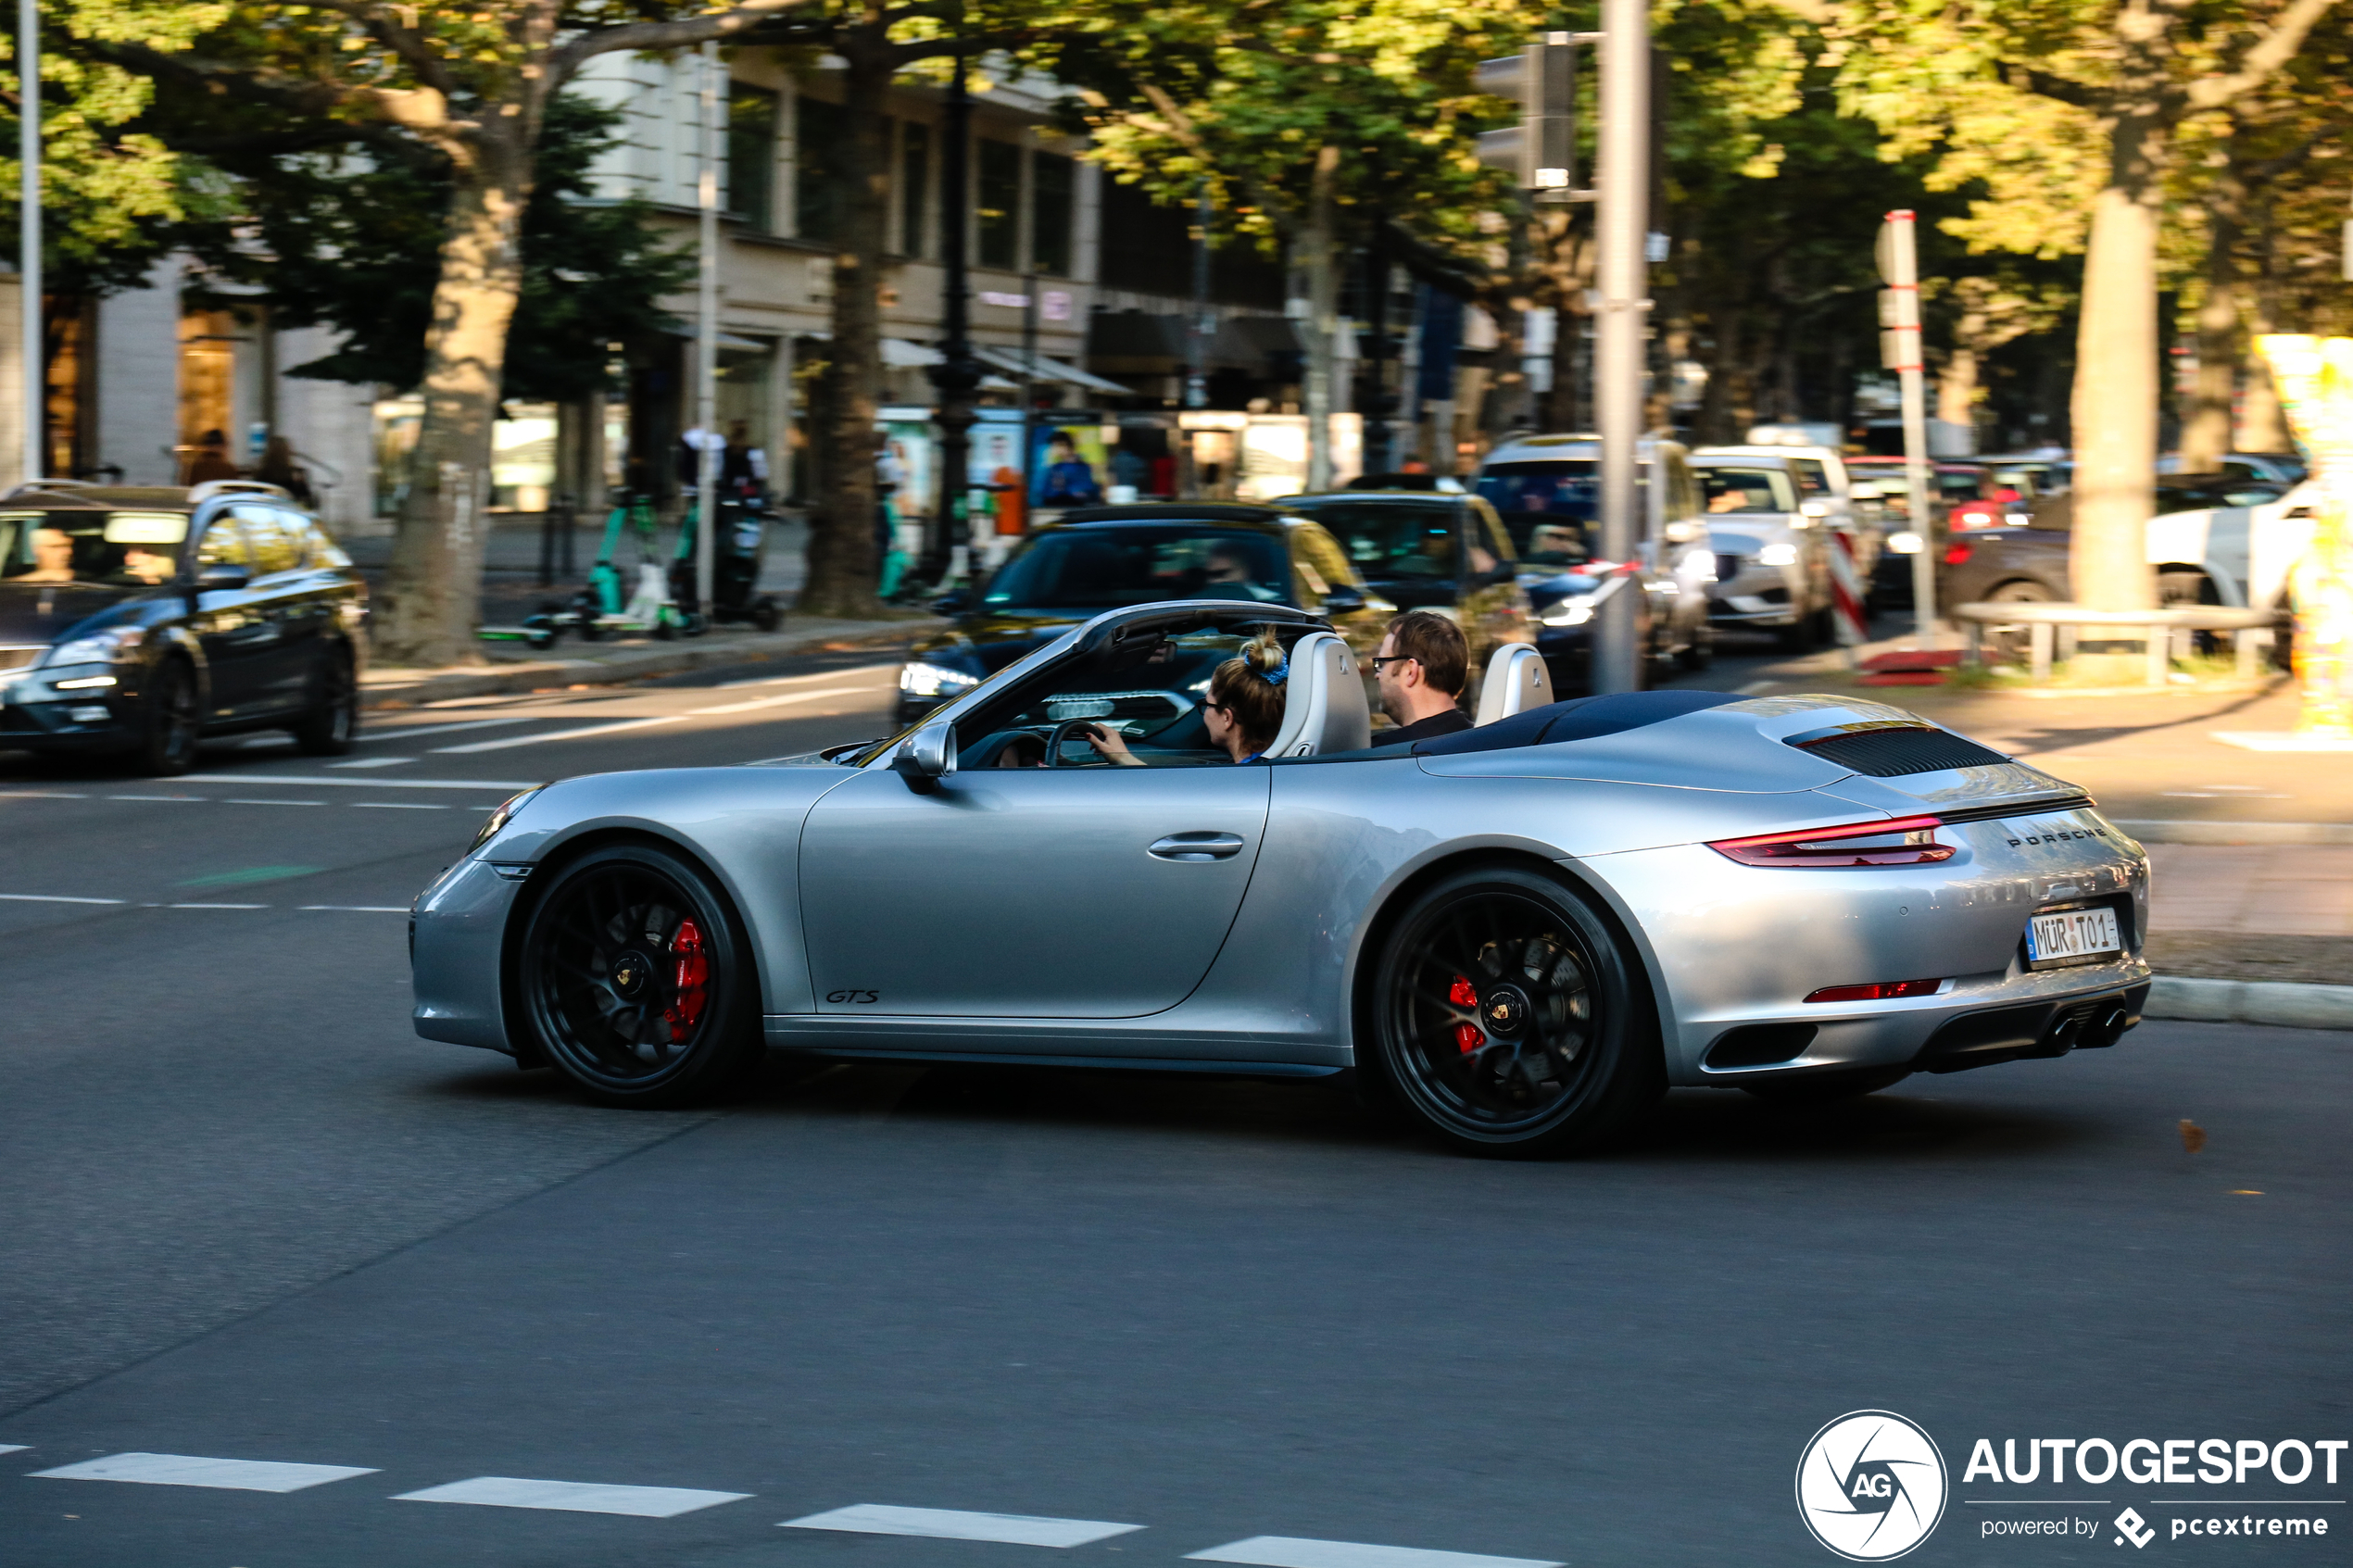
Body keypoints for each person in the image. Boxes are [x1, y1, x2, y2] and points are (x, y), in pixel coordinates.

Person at [1087, 629, 1289, 766]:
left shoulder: (1239, 780)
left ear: (1227, 718)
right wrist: (1125, 759)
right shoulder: (1269, 766)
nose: (1204, 713)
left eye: (1206, 704)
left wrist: (1124, 759)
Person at [1372, 608, 1472, 746]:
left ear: (1410, 671)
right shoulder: (1485, 744)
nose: (1377, 675)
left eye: (1382, 663)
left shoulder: (1381, 756)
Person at [1190, 540, 1281, 602]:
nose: (1214, 580)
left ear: (1244, 570)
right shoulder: (1195, 601)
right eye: (1210, 574)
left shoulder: (1271, 601)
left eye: (1222, 574)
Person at [1038, 433, 1102, 506]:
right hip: (1057, 506)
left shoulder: (1084, 468)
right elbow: (1046, 494)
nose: (1055, 450)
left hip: (1078, 507)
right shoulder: (1055, 468)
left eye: (1058, 446)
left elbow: (1090, 491)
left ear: (1067, 446)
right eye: (1053, 446)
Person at [255, 435, 315, 506]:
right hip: (289, 510)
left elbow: (255, 494)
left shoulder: (261, 473)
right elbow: (306, 499)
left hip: (265, 509)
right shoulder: (294, 474)